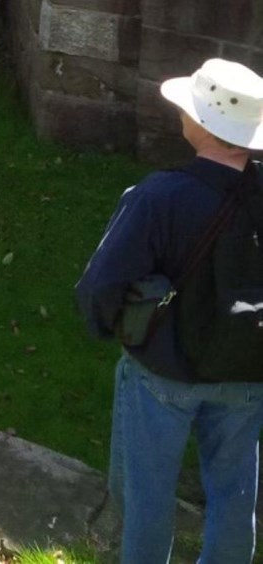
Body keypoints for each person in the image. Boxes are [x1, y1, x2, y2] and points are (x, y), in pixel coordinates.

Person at [76, 58, 263, 564]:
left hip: (164, 373)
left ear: (202, 124)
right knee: (234, 494)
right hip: (248, 370)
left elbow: (102, 285)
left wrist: (108, 327)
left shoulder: (159, 197)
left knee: (146, 496)